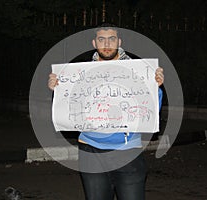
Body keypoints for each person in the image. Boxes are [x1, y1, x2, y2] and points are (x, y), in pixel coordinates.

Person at [48, 23, 164, 200]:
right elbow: (67, 106)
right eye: (102, 39)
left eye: (111, 39)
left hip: (127, 153)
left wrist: (156, 87)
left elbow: (152, 110)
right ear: (94, 43)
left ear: (119, 41)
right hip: (91, 152)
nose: (107, 44)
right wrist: (57, 88)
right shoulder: (78, 72)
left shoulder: (139, 71)